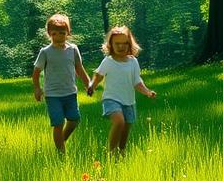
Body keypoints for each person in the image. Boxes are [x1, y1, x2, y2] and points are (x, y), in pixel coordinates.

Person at [86, 25, 156, 154]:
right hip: (111, 99)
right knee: (119, 121)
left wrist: (147, 91)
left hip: (129, 101)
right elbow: (99, 76)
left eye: (124, 43)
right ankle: (111, 153)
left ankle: (121, 151)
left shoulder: (133, 62)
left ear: (130, 44)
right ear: (110, 44)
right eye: (117, 43)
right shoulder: (108, 61)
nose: (121, 46)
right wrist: (92, 86)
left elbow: (137, 81)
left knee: (126, 128)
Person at [32, 13, 91, 154]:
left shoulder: (73, 50)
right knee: (58, 123)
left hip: (70, 92)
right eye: (55, 34)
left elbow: (79, 68)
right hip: (53, 95)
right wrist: (37, 89)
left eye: (62, 33)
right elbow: (36, 72)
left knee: (74, 120)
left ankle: (60, 141)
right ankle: (61, 153)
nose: (59, 37)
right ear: (49, 34)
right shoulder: (45, 52)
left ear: (68, 33)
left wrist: (88, 83)